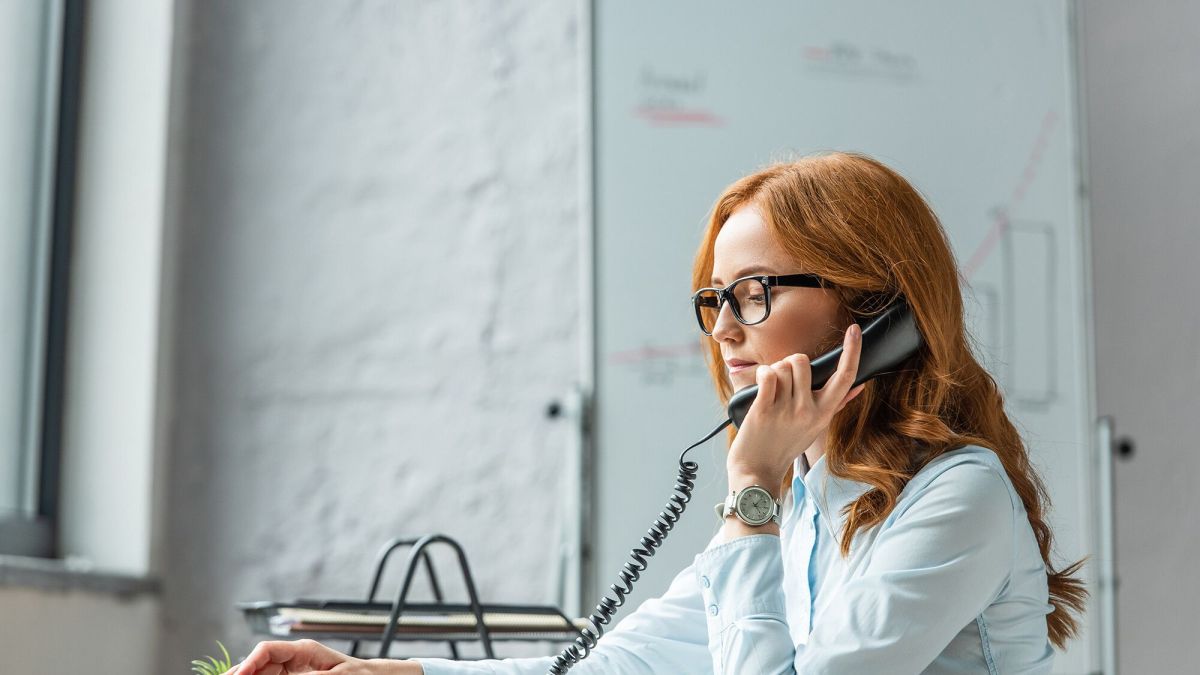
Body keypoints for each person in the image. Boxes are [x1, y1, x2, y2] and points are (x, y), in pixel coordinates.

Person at [224, 151, 1088, 674]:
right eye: (713, 299)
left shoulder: (957, 497)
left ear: (876, 312)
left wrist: (751, 486)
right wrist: (389, 671)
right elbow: (620, 663)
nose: (720, 330)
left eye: (751, 294)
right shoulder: (802, 496)